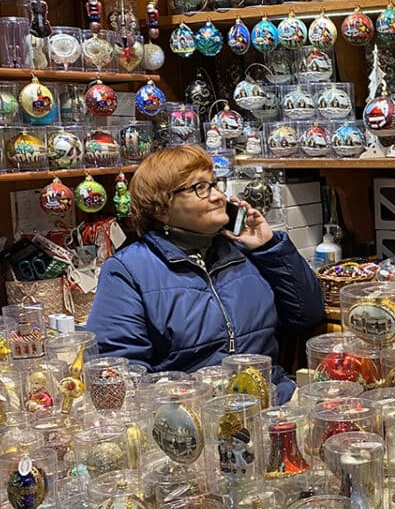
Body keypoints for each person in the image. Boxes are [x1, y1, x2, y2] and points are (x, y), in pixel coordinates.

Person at [87, 145, 324, 401]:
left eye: (214, 183)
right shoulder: (128, 270)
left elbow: (307, 315)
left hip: (271, 401)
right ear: (160, 208)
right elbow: (120, 371)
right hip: (190, 416)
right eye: (200, 188)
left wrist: (269, 248)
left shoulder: (242, 251)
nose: (218, 196)